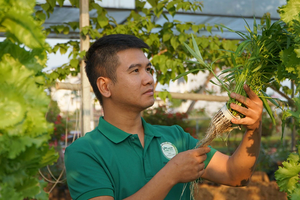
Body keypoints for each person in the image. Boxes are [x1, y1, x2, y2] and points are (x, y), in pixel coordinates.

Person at [64, 34, 263, 200]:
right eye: (135, 71)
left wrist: (254, 128)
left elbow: (235, 174)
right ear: (105, 87)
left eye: (148, 69)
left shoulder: (175, 137)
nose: (149, 79)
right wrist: (170, 175)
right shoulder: (84, 152)